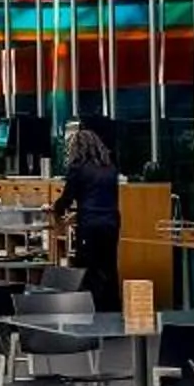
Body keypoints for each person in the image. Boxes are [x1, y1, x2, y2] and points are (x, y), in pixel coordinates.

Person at [54, 126, 123, 312]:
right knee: (109, 268)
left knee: (89, 270)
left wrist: (56, 210)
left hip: (90, 224)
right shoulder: (110, 168)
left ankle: (94, 314)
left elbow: (68, 197)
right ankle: (114, 314)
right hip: (111, 223)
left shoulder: (78, 168)